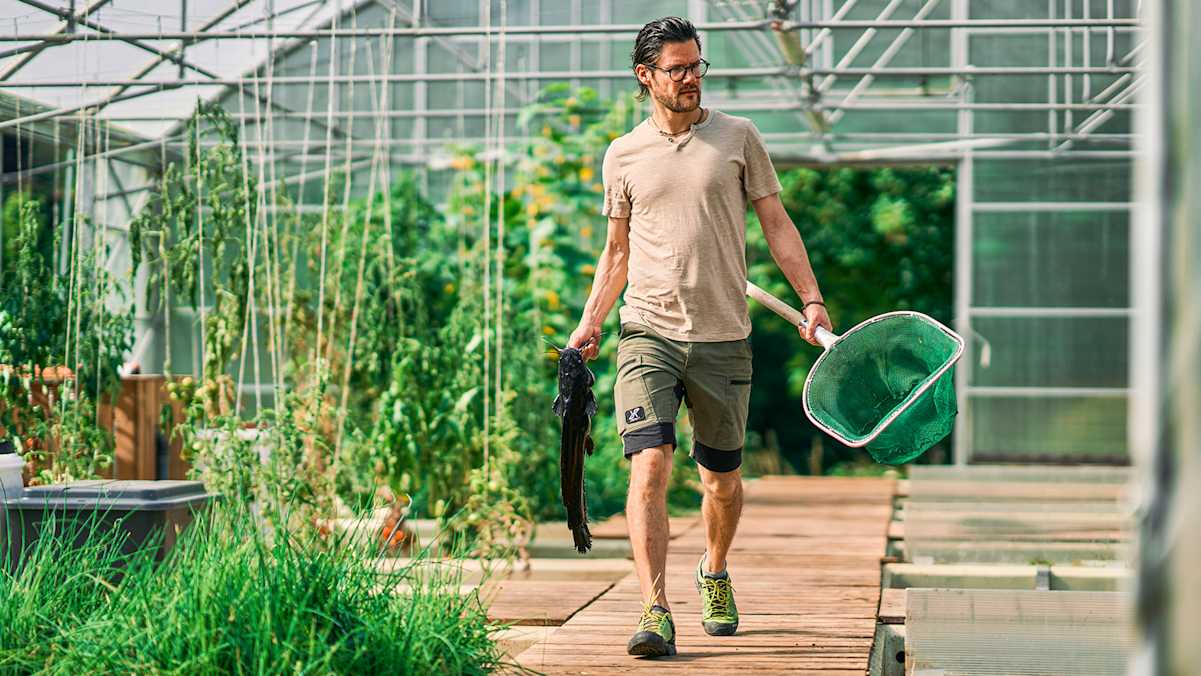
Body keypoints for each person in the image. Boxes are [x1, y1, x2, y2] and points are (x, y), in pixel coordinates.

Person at [567, 16, 833, 658]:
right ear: (645, 76)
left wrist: (812, 299)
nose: (691, 78)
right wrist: (591, 320)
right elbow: (616, 251)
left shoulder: (738, 138)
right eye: (678, 69)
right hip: (647, 331)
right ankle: (654, 609)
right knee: (650, 465)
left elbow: (777, 223)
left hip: (722, 337)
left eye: (697, 66)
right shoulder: (623, 154)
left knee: (721, 479)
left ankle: (713, 570)